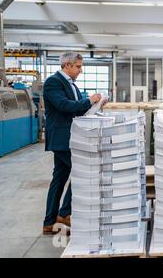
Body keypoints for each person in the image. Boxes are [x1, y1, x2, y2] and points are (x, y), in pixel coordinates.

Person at [42, 52, 102, 235]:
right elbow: (64, 106)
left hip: (70, 137)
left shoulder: (71, 84)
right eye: (78, 66)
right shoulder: (53, 82)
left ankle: (49, 222)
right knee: (82, 172)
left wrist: (94, 106)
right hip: (62, 139)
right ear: (67, 65)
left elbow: (75, 111)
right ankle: (64, 213)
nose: (80, 70)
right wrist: (88, 101)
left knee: (59, 180)